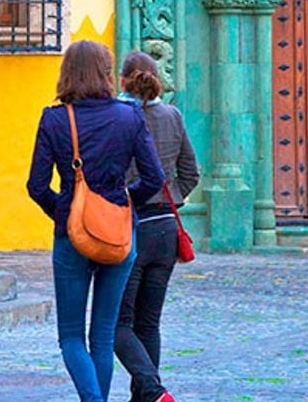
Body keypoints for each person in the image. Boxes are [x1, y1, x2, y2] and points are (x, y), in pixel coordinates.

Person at [27, 40, 165, 402]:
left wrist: (68, 211)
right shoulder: (129, 116)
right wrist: (119, 203)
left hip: (71, 237)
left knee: (71, 336)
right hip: (119, 233)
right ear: (107, 72)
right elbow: (154, 179)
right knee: (102, 334)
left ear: (67, 72)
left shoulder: (55, 118)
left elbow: (37, 186)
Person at [113, 51, 199, 402]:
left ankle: (153, 390)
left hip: (131, 227)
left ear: (122, 80)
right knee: (148, 323)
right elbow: (191, 173)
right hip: (166, 228)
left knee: (118, 324)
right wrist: (171, 198)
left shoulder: (118, 119)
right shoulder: (173, 116)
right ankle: (146, 398)